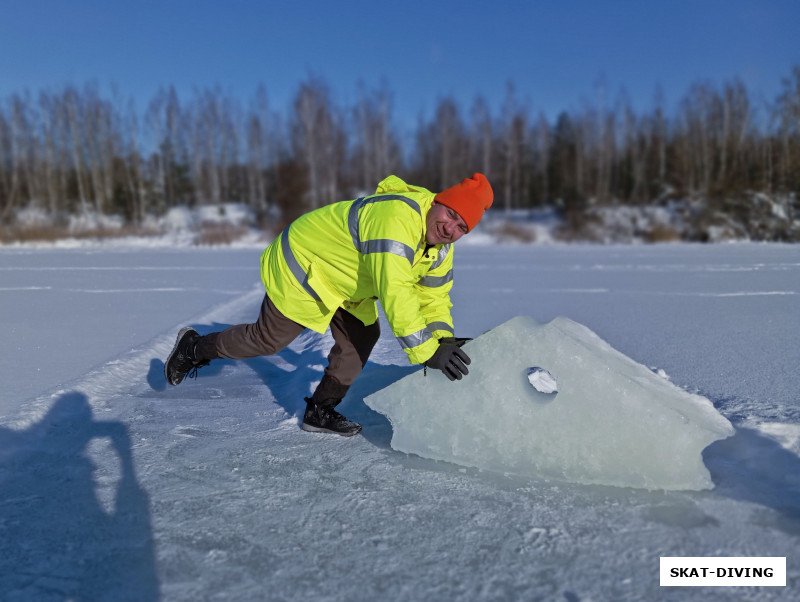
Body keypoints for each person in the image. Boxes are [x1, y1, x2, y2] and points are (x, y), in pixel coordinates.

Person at [164, 173, 493, 436]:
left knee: (362, 336)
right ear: (438, 201)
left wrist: (444, 338)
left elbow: (433, 295)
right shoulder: (397, 219)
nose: (450, 228)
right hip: (307, 263)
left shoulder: (440, 248)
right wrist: (427, 352)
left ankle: (319, 412)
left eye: (462, 227)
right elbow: (396, 291)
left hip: (349, 280)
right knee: (269, 339)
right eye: (451, 214)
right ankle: (194, 347)